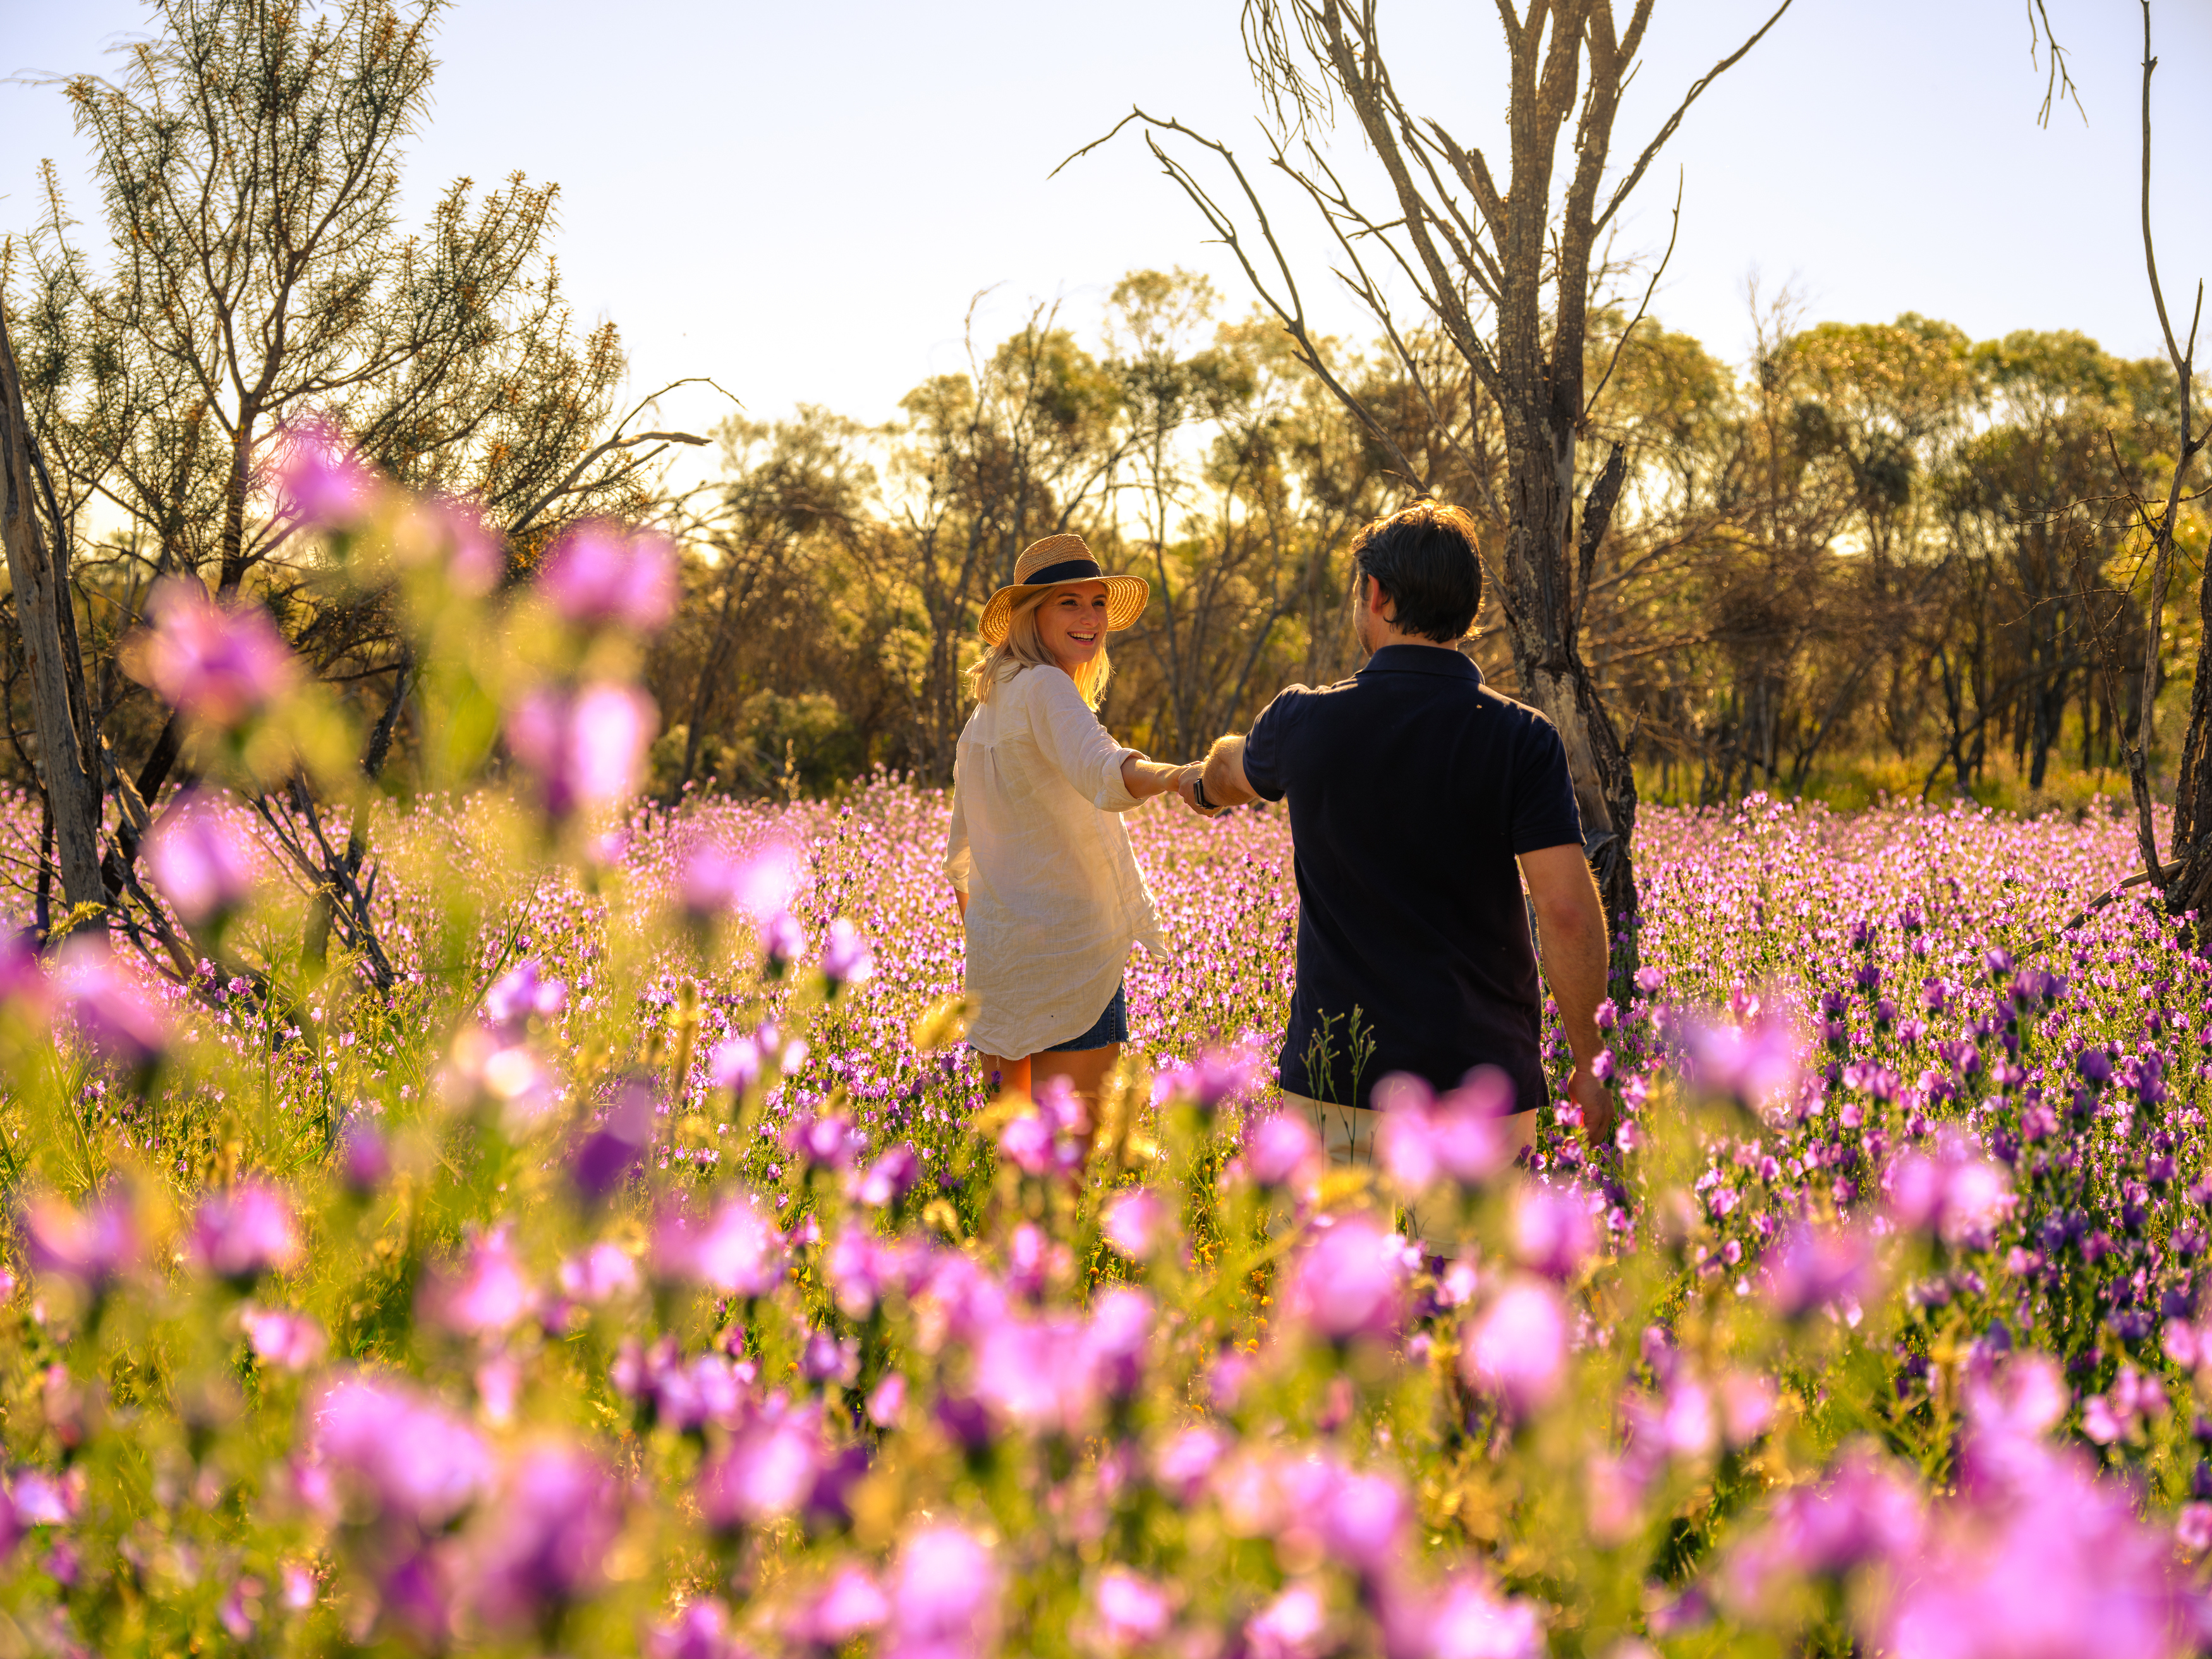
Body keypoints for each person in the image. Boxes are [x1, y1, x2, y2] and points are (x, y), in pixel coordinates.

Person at [1178, 500, 1613, 1166]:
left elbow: (1229, 770)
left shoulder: (1300, 723)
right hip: (1481, 1092)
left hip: (1337, 1085)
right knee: (1475, 1270)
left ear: (1376, 596)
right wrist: (1589, 1060)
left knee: (1334, 1271)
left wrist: (1204, 789)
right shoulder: (1522, 738)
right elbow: (1564, 911)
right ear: (1466, 610)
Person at [945, 533, 1194, 1113]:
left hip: (1001, 979)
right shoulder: (1046, 686)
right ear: (1033, 615)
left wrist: (997, 942)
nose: (1091, 618)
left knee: (1012, 1177)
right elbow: (1104, 768)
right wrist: (1177, 776)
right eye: (1069, 603)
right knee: (1069, 1178)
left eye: (1098, 602)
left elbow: (961, 859)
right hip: (1069, 969)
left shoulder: (988, 707)